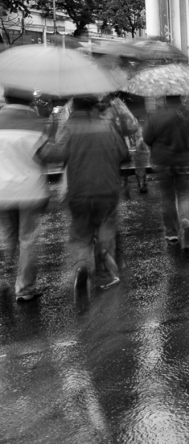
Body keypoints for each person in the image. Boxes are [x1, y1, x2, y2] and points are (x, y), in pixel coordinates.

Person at [49, 96, 127, 296]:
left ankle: (83, 265)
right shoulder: (107, 125)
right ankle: (105, 262)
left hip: (79, 190)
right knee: (106, 227)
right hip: (107, 188)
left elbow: (57, 154)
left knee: (81, 233)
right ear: (95, 106)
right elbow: (124, 154)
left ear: (73, 107)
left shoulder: (69, 127)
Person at [0, 87, 52, 301]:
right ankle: (25, 288)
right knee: (27, 239)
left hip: (1, 191)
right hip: (30, 191)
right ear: (30, 101)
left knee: (5, 237)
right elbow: (48, 154)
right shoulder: (36, 123)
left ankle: (2, 278)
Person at [143, 95, 189, 250]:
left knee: (167, 197)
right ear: (180, 98)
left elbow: (147, 138)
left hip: (162, 161)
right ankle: (187, 221)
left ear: (165, 99)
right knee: (184, 194)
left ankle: (172, 233)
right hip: (184, 160)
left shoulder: (155, 116)